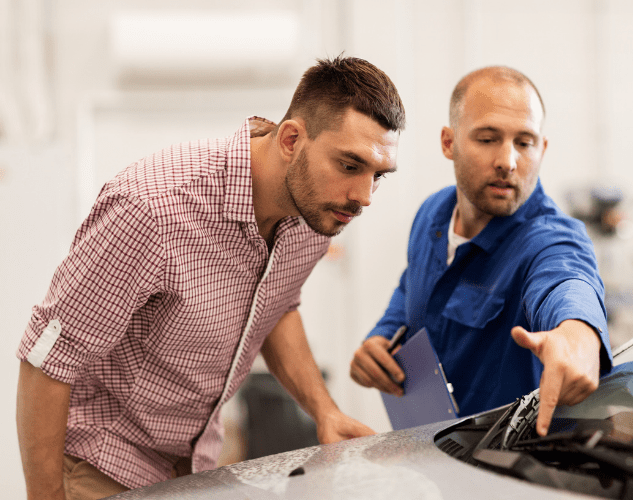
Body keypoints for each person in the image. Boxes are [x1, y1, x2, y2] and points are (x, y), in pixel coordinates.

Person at [17, 55, 405, 500]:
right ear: (292, 139)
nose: (363, 197)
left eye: (379, 176)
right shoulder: (153, 209)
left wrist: (324, 411)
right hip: (97, 463)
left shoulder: (316, 216)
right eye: (350, 165)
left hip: (195, 469)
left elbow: (276, 308)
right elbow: (48, 359)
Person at [349, 66, 613, 437]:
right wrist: (383, 335)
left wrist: (578, 335)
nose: (508, 161)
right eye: (488, 139)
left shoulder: (549, 239)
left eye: (525, 142)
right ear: (448, 143)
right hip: (429, 451)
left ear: (543, 149)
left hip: (509, 471)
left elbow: (568, 281)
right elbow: (413, 285)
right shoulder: (432, 215)